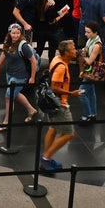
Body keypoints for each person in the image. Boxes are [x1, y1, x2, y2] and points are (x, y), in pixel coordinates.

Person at [38, 40, 80, 171]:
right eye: (73, 49)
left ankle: (47, 159)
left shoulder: (57, 59)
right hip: (59, 105)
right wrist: (71, 93)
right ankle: (46, 157)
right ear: (66, 52)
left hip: (52, 104)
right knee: (69, 134)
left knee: (53, 128)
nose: (75, 51)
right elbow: (54, 87)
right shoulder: (61, 67)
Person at [0, 23, 38, 130]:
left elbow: (33, 61)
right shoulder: (8, 41)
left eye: (18, 33)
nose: (15, 35)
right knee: (16, 94)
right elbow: (4, 53)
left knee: (8, 97)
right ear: (9, 33)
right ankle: (31, 110)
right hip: (9, 73)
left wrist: (32, 77)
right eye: (13, 33)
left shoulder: (23, 46)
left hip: (20, 76)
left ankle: (6, 122)